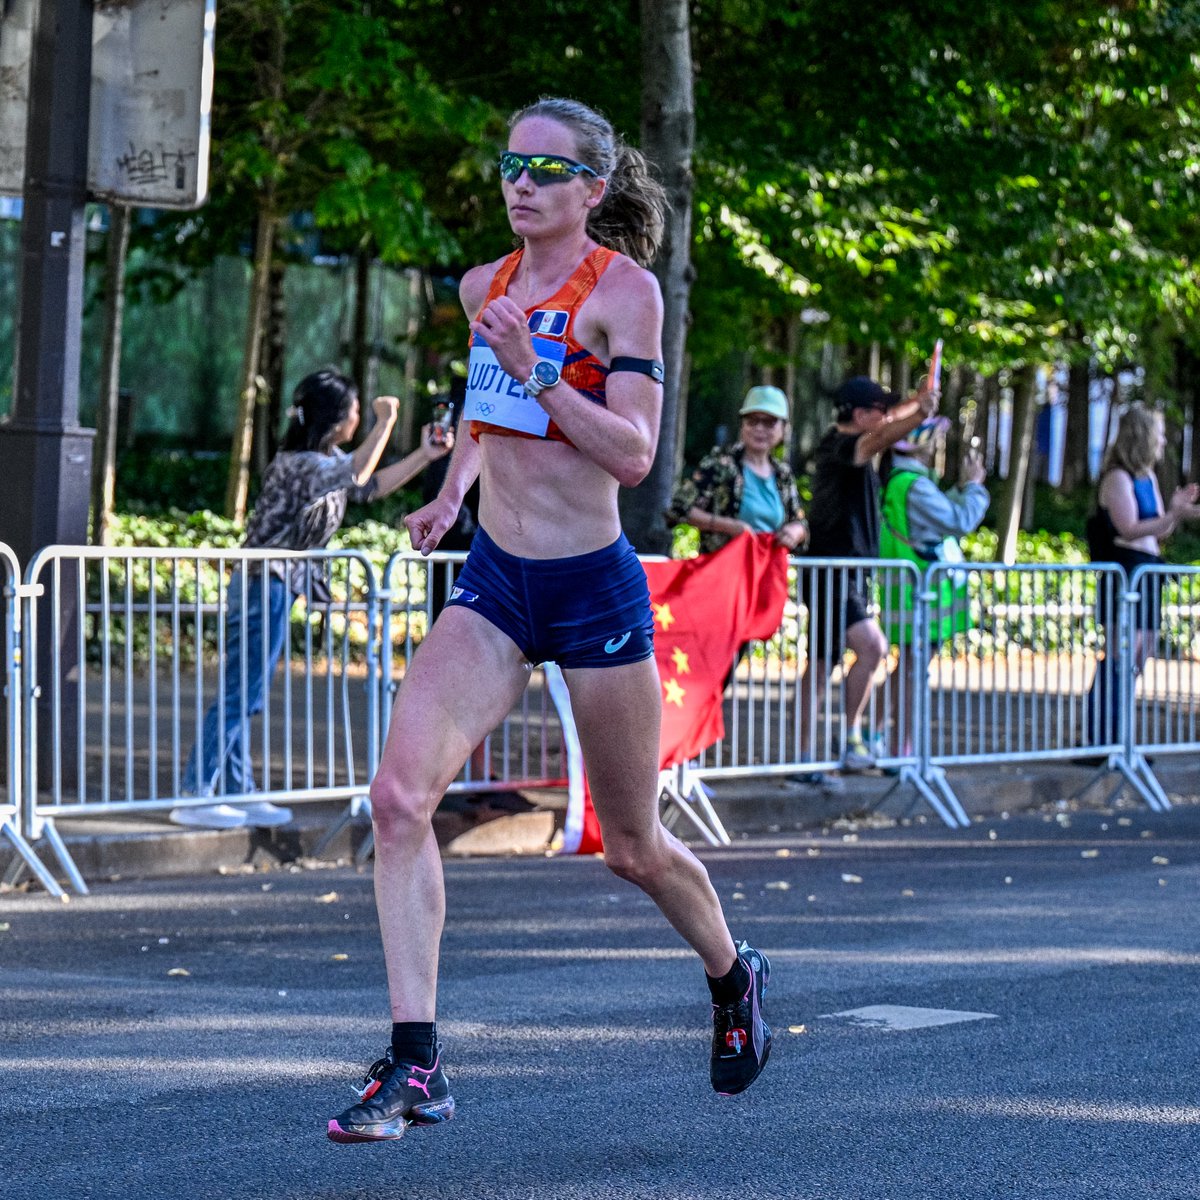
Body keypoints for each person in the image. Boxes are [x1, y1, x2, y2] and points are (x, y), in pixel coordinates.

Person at [327, 98, 772, 1145]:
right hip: (495, 583)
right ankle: (416, 1062)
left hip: (592, 588)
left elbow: (632, 454)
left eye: (544, 169)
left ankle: (730, 972)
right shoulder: (487, 284)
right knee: (399, 800)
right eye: (509, 165)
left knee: (632, 846)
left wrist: (540, 370)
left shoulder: (627, 295)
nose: (519, 183)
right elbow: (490, 406)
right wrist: (452, 489)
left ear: (593, 189)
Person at [172, 368, 452, 830]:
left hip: (276, 583)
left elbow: (369, 485)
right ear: (336, 417)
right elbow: (358, 471)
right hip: (265, 582)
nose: (361, 417)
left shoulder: (321, 460)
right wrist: (386, 422)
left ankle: (235, 789)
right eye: (356, 411)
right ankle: (195, 792)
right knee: (242, 691)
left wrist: (425, 454)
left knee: (247, 690)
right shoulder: (300, 465)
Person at [797, 374, 938, 781]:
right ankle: (808, 754)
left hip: (850, 575)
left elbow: (889, 419)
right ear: (860, 415)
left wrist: (918, 400)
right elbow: (880, 437)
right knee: (827, 661)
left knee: (862, 651)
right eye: (878, 409)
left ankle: (846, 740)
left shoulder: (848, 438)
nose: (884, 415)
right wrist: (920, 414)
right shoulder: (843, 446)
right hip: (831, 572)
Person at [1085, 405, 1200, 747]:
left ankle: (1121, 736)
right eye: (1159, 434)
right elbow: (1129, 528)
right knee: (1121, 652)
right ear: (1144, 437)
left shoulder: (1146, 477)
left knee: (1141, 653)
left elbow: (1157, 531)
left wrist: (1179, 513)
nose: (1163, 441)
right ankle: (1103, 738)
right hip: (1126, 571)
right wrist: (1174, 514)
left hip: (1147, 572)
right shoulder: (1117, 478)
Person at [878, 417, 989, 759]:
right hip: (922, 591)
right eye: (934, 437)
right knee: (914, 670)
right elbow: (959, 521)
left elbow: (936, 516)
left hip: (910, 589)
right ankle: (902, 749)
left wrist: (960, 489)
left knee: (909, 666)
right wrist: (974, 487)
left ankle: (879, 734)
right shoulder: (914, 484)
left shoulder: (902, 481)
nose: (939, 443)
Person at [667, 384, 808, 556]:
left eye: (769, 422)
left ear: (784, 428)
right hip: (723, 570)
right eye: (752, 420)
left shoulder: (783, 474)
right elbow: (680, 509)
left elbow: (799, 521)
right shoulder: (719, 464)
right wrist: (727, 526)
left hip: (767, 573)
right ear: (742, 425)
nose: (759, 428)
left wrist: (795, 531)